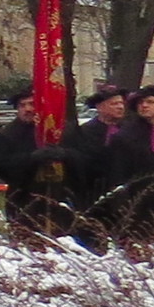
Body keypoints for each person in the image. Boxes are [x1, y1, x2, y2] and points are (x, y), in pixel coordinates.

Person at [95, 89, 154, 242]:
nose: (144, 106)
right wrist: (122, 210)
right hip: (140, 206)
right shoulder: (124, 137)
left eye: (150, 102)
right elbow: (117, 176)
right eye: (140, 103)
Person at [0, 87, 81, 241]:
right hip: (24, 200)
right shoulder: (7, 135)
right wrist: (31, 158)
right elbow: (0, 165)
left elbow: (83, 158)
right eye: (22, 105)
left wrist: (64, 155)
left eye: (32, 104)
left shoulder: (62, 129)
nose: (28, 109)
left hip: (60, 198)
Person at [64, 85, 136, 245]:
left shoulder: (131, 130)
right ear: (100, 107)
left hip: (128, 196)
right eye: (113, 104)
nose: (119, 107)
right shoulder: (84, 133)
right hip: (94, 196)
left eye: (121, 103)